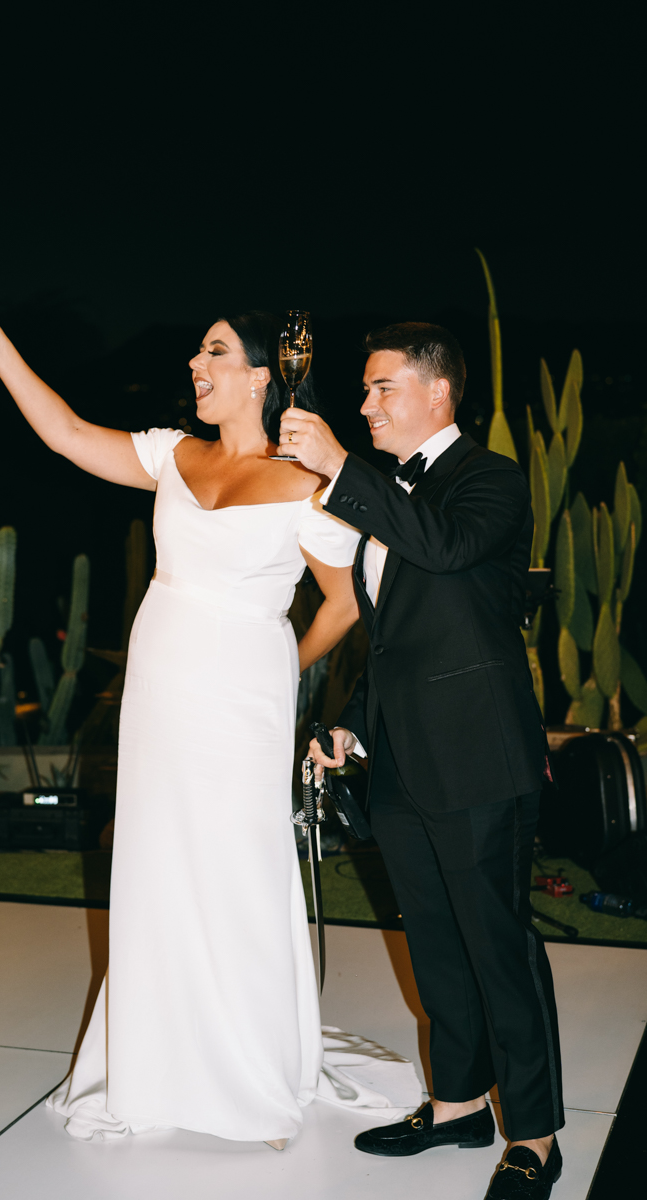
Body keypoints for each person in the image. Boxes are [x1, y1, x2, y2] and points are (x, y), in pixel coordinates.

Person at [0, 298, 362, 1148]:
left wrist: (285, 666)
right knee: (157, 860)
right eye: (196, 354)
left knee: (236, 866)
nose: (194, 366)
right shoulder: (173, 455)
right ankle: (155, 1060)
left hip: (242, 701)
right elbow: (66, 433)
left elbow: (346, 601)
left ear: (261, 375)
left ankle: (249, 1065)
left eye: (213, 353)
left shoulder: (307, 483)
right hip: (162, 689)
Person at [282, 322, 564, 1200]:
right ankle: (455, 1107)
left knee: (497, 948)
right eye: (362, 392)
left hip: (479, 759)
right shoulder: (385, 494)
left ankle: (536, 1137)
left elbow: (442, 549)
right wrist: (352, 728)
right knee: (435, 947)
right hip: (402, 762)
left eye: (381, 388)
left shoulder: (491, 481)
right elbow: (399, 642)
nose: (364, 405)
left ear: (438, 392)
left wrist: (338, 468)